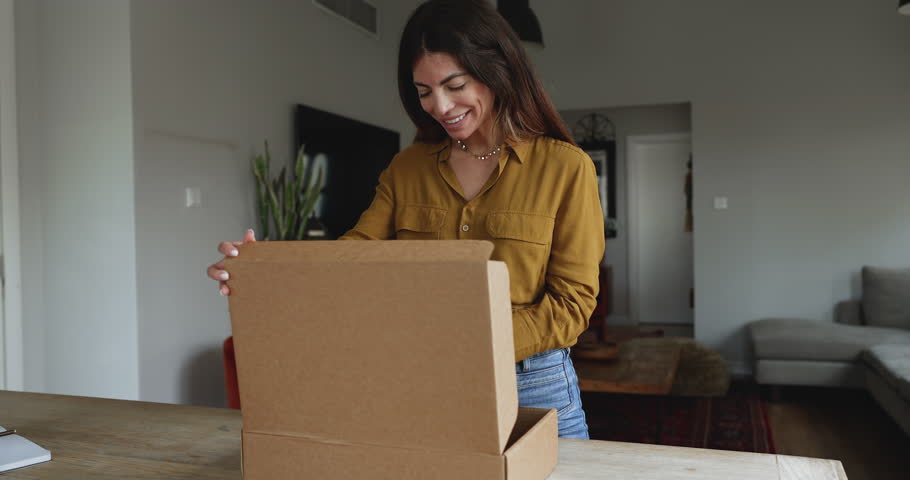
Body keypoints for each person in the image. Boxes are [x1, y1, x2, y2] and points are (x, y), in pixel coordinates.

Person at [207, 0, 604, 439]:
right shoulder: (407, 168)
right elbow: (353, 256)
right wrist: (262, 269)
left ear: (497, 71)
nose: (440, 106)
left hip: (533, 385)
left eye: (455, 85)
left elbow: (573, 305)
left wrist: (468, 339)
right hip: (426, 382)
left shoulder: (567, 168)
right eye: (424, 91)